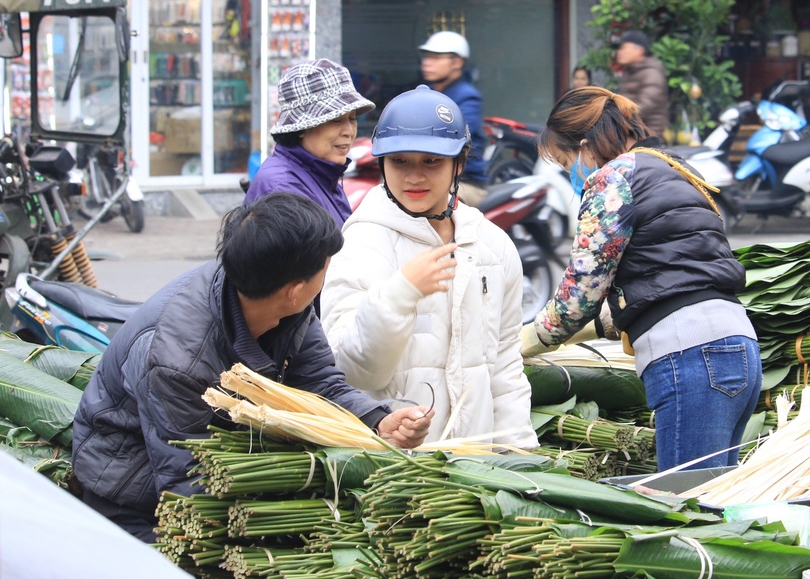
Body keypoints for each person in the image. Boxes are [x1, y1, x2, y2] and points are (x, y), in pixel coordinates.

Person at [72, 193, 433, 542]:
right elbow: (187, 482)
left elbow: (320, 384)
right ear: (295, 289)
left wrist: (378, 419)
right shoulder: (177, 360)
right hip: (131, 492)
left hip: (219, 468)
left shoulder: (284, 302)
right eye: (325, 266)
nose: (327, 272)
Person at [520, 86, 760, 472]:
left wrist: (528, 339)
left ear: (584, 147)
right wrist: (592, 331)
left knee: (687, 508)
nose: (573, 174)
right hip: (738, 349)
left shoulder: (611, 178)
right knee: (716, 507)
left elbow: (579, 293)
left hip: (690, 358)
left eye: (567, 162)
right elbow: (663, 280)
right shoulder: (672, 167)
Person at [321, 85, 538, 450]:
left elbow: (504, 367)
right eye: (399, 161)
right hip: (396, 470)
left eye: (431, 161)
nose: (414, 177)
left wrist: (518, 457)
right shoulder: (361, 242)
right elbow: (353, 370)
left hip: (476, 471)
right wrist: (400, 294)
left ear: (461, 162)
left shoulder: (493, 246)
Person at [245, 58, 375, 228]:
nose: (349, 131)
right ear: (301, 128)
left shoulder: (323, 173)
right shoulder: (283, 189)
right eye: (336, 120)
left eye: (352, 119)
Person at [418, 31, 489, 205]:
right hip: (428, 176)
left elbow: (457, 133)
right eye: (426, 57)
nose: (427, 63)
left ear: (457, 62)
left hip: (462, 183)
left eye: (436, 58)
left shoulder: (467, 96)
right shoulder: (426, 92)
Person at [613, 30, 670, 142]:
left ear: (639, 50)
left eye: (623, 48)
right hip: (633, 139)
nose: (619, 52)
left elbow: (643, 107)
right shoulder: (631, 72)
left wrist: (613, 117)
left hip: (647, 141)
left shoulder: (651, 73)